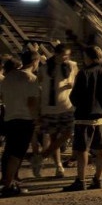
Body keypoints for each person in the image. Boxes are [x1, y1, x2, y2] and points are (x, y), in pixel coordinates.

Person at [64, 45, 102, 191]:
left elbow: (74, 96)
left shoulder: (83, 73)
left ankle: (81, 180)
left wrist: (79, 105)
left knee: (82, 150)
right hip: (101, 117)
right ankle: (98, 178)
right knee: (101, 149)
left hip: (83, 117)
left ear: (87, 57)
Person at [35, 42, 77, 179]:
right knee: (53, 138)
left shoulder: (72, 66)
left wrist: (72, 85)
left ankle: (42, 156)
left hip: (66, 106)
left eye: (68, 55)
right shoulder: (45, 67)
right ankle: (58, 166)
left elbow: (76, 81)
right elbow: (38, 84)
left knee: (67, 133)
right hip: (49, 107)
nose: (66, 58)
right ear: (57, 54)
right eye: (64, 55)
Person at [1, 50, 40, 197]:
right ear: (35, 62)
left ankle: (6, 180)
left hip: (9, 117)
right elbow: (32, 102)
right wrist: (36, 118)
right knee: (17, 154)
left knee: (9, 151)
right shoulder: (31, 79)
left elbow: (3, 96)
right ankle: (8, 185)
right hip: (24, 119)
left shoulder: (9, 77)